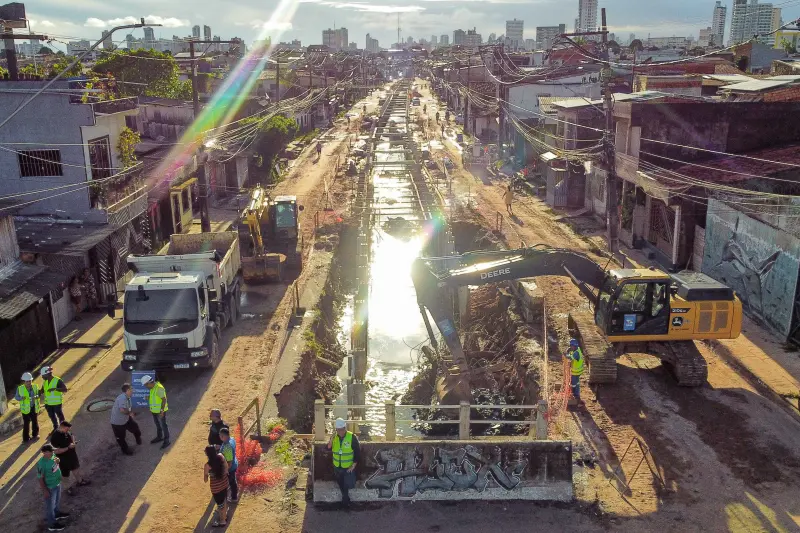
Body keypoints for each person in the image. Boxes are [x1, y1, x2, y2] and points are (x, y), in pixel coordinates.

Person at [327, 418, 360, 509]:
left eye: (342, 429)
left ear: (345, 428)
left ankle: (345, 502)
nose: (340, 432)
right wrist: (331, 439)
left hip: (347, 466)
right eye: (338, 430)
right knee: (340, 483)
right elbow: (328, 448)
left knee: (347, 484)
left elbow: (357, 451)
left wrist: (353, 465)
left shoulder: (351, 437)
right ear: (336, 430)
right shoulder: (334, 437)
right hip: (337, 466)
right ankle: (346, 500)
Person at [37, 443, 70, 531]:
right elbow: (40, 478)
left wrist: (57, 461)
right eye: (50, 451)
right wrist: (45, 490)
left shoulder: (52, 455)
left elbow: (56, 460)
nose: (53, 452)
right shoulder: (41, 464)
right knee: (50, 506)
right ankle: (51, 524)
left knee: (56, 501)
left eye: (52, 451)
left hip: (57, 483)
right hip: (50, 487)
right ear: (44, 453)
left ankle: (57, 513)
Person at [50, 421, 89, 494]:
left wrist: (73, 441)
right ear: (61, 427)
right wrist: (68, 447)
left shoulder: (66, 432)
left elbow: (71, 435)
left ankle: (80, 481)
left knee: (76, 469)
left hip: (72, 455)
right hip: (62, 459)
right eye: (67, 429)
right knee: (65, 475)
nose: (68, 431)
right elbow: (56, 451)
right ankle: (68, 488)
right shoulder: (55, 438)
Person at [111, 383, 142, 455]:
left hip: (126, 419)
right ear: (127, 390)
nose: (133, 390)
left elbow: (128, 408)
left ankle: (138, 438)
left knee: (136, 428)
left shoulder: (128, 397)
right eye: (131, 389)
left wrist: (130, 413)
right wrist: (130, 413)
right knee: (121, 438)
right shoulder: (122, 398)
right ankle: (125, 450)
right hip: (117, 423)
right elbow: (122, 410)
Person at [141, 375, 170, 449]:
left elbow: (164, 400)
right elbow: (154, 396)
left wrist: (162, 411)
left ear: (148, 383)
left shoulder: (159, 388)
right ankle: (159, 437)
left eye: (145, 385)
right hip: (154, 411)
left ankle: (167, 441)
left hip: (160, 411)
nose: (146, 387)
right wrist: (149, 397)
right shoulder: (152, 387)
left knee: (164, 426)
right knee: (158, 425)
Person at [204, 445, 229, 527]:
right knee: (224, 500)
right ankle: (224, 516)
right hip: (224, 483)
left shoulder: (207, 465)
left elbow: (205, 479)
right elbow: (226, 468)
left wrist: (208, 475)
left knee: (220, 504)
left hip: (216, 488)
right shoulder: (221, 456)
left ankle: (222, 521)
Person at [40, 366, 67, 434]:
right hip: (48, 404)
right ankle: (55, 428)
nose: (42, 377)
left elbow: (65, 389)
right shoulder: (45, 382)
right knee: (52, 417)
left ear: (48, 374)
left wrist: (55, 389)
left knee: (60, 416)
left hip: (57, 403)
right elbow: (42, 391)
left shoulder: (58, 380)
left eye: (43, 375)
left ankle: (63, 429)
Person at [15, 372, 40, 443]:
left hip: (34, 407)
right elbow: (16, 397)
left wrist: (35, 397)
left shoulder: (35, 386)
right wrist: (21, 398)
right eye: (27, 381)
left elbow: (38, 394)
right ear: (24, 382)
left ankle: (35, 434)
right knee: (26, 423)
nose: (29, 382)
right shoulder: (20, 388)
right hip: (25, 410)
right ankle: (26, 439)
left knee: (35, 421)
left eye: (30, 381)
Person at [219, 427, 238, 503]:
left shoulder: (227, 447)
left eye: (221, 436)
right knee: (233, 481)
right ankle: (234, 496)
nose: (220, 437)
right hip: (235, 463)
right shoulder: (232, 439)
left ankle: (231, 498)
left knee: (228, 483)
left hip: (230, 468)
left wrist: (225, 471)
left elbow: (229, 462)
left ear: (224, 436)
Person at [565, 339, 585, 406]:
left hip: (575, 372)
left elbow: (570, 358)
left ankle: (573, 394)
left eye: (571, 346)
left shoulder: (576, 353)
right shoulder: (577, 349)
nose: (570, 347)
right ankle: (577, 394)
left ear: (575, 346)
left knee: (573, 384)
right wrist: (569, 350)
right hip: (578, 371)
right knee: (577, 383)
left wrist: (566, 354)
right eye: (570, 346)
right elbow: (572, 353)